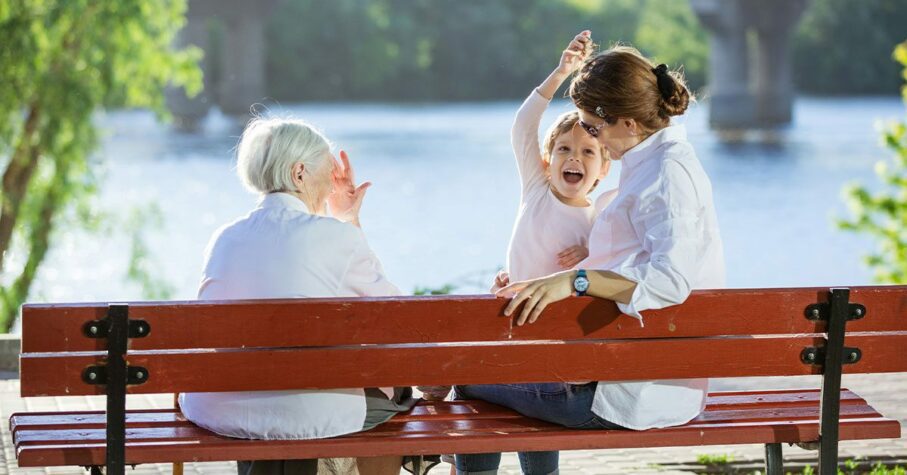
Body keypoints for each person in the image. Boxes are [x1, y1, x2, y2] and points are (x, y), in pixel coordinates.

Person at [453, 37, 725, 475]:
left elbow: (670, 281)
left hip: (629, 396)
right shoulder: (655, 162)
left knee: (468, 373)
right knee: (518, 374)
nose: (592, 139)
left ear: (627, 122)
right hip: (627, 372)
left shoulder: (668, 175)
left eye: (594, 131)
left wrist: (575, 280)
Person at [178, 117, 417, 475]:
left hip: (222, 407)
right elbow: (396, 316)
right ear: (300, 172)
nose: (333, 180)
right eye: (328, 168)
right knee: (397, 393)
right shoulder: (335, 237)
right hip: (309, 412)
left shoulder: (224, 238)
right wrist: (348, 220)